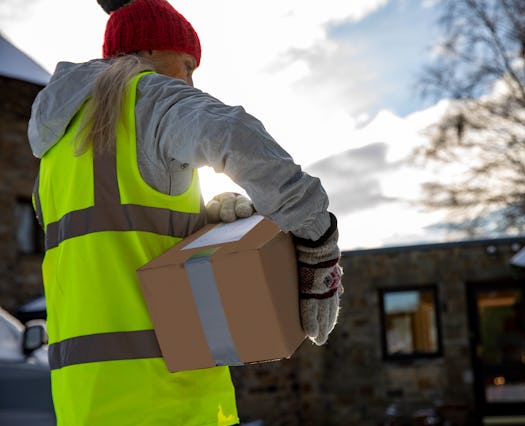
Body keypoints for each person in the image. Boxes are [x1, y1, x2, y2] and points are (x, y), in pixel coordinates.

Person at [27, 0, 343, 424]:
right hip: (170, 398)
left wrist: (202, 227)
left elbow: (114, 249)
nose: (191, 81)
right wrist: (317, 239)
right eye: (188, 64)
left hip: (82, 402)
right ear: (151, 52)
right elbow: (234, 133)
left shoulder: (56, 149)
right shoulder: (149, 97)